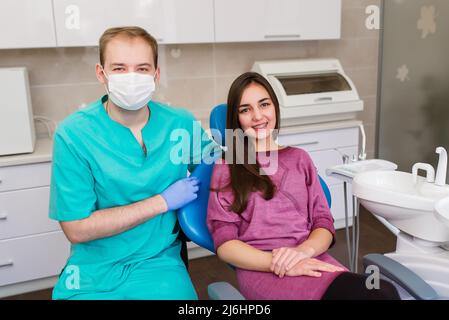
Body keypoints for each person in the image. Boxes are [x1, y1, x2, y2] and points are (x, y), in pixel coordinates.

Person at [49, 26, 219, 300]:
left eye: (141, 68)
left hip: (159, 262)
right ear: (100, 73)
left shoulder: (180, 124)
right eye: (119, 68)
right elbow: (76, 228)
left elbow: (222, 169)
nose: (131, 78)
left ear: (156, 74)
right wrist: (162, 202)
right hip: (93, 270)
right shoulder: (73, 135)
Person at [206, 72, 400, 300]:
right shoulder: (227, 167)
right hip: (264, 269)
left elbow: (323, 223)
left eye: (264, 104)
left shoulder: (300, 158)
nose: (258, 116)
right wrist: (280, 264)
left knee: (383, 292)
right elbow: (226, 245)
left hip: (309, 257)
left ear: (275, 107)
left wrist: (301, 252)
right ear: (236, 119)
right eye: (245, 109)